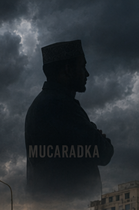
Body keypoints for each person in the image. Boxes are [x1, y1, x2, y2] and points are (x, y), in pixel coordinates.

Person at [24, 40, 113, 200]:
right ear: (68, 70)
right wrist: (95, 133)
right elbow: (103, 152)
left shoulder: (44, 103)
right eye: (82, 66)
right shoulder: (59, 105)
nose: (87, 73)